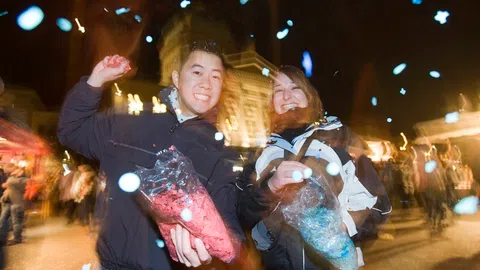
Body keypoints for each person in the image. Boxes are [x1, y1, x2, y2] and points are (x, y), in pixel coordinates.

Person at [57, 40, 244, 269]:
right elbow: (71, 131)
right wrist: (96, 81)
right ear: (176, 78)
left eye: (215, 76)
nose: (207, 83)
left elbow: (227, 219)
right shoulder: (130, 118)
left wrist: (216, 252)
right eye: (197, 72)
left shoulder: (219, 152)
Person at [236, 65, 377, 269]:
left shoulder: (338, 140)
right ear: (271, 103)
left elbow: (378, 201)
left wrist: (347, 225)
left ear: (309, 96)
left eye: (294, 88)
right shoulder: (260, 156)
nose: (286, 96)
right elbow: (243, 213)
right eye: (278, 91)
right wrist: (270, 187)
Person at [0, 166, 28, 245]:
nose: (14, 171)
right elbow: (6, 184)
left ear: (22, 171)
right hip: (13, 203)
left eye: (17, 170)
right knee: (12, 222)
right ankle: (12, 238)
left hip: (18, 204)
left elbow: (9, 182)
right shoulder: (17, 180)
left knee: (16, 222)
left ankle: (17, 239)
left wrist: (12, 175)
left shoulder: (23, 180)